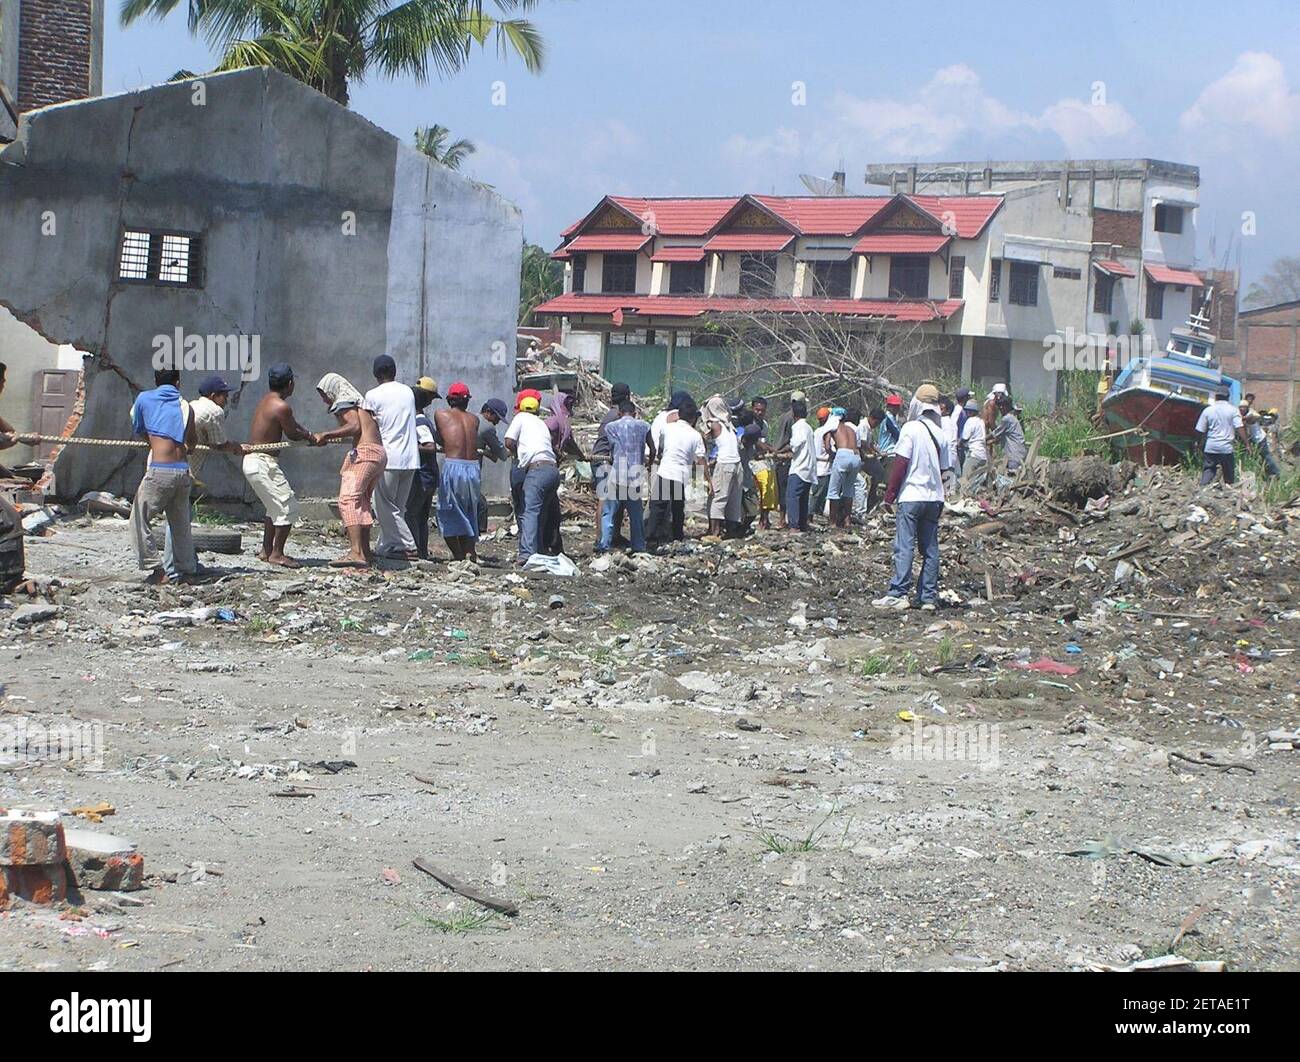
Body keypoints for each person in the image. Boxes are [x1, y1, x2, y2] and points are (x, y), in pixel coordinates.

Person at [160, 374, 245, 579]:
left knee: (180, 518)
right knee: (178, 519)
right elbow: (220, 444)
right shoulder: (213, 411)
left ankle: (187, 563)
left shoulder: (192, 405)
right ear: (214, 396)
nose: (226, 400)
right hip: (181, 470)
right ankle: (172, 568)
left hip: (163, 464)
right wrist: (239, 448)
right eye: (224, 395)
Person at [873, 394, 949, 611]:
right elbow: (945, 470)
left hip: (912, 496)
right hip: (934, 498)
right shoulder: (941, 434)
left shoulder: (910, 428)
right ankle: (927, 598)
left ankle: (899, 593)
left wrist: (890, 496)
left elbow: (900, 463)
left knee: (905, 544)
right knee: (930, 549)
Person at [128, 367, 197, 584]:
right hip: (183, 471)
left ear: (156, 381)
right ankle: (186, 570)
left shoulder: (144, 399)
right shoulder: (186, 406)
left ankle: (156, 570)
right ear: (178, 383)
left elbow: (139, 427)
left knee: (138, 519)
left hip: (160, 470)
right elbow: (192, 443)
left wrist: (155, 443)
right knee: (180, 524)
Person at [313, 373, 386, 568]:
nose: (323, 400)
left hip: (365, 452)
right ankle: (365, 552)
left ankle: (355, 553)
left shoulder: (344, 402)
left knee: (348, 499)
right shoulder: (359, 403)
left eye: (323, 394)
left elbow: (354, 426)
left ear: (332, 389)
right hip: (377, 453)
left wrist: (325, 434)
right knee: (361, 501)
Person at [244, 362, 312, 567]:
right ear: (290, 383)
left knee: (273, 507)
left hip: (256, 461)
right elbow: (292, 432)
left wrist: (310, 435)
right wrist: (310, 436)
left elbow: (293, 426)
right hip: (262, 461)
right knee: (288, 506)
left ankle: (266, 551)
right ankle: (277, 553)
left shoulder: (267, 401)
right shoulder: (281, 406)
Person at [364, 355, 419, 560]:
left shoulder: (372, 395)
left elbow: (369, 426)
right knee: (398, 508)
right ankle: (388, 547)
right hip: (410, 458)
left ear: (376, 374)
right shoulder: (407, 392)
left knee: (384, 506)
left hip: (389, 457)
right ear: (394, 371)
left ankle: (408, 545)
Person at [505, 392, 560, 564]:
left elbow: (508, 441)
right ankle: (539, 549)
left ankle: (527, 554)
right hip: (552, 470)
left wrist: (517, 451)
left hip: (537, 470)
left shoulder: (521, 417)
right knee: (540, 512)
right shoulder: (541, 424)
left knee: (529, 511)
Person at [434, 381, 483, 562]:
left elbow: (440, 437)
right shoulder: (474, 420)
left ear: (449, 400)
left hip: (454, 465)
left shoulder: (440, 414)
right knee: (469, 510)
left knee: (446, 511)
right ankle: (470, 551)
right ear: (467, 401)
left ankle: (458, 555)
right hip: (473, 467)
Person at [598, 399, 653, 553]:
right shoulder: (644, 426)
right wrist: (648, 464)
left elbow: (611, 447)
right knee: (636, 515)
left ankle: (604, 544)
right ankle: (638, 545)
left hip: (617, 475)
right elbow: (653, 448)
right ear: (635, 413)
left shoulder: (611, 427)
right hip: (635, 476)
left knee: (609, 512)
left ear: (619, 413)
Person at [652, 399, 708, 543]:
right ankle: (677, 537)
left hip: (664, 472)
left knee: (658, 507)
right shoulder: (696, 435)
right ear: (693, 418)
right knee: (678, 508)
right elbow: (700, 460)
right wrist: (708, 479)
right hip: (680, 475)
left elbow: (660, 450)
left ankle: (650, 537)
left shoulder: (667, 428)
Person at [591, 383, 633, 547]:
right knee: (605, 498)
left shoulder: (612, 414)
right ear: (628, 397)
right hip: (603, 460)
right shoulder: (618, 416)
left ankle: (614, 535)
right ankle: (600, 538)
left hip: (606, 459)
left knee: (616, 498)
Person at [405, 380, 440, 560]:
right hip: (428, 476)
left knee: (411, 514)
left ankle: (415, 551)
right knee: (420, 517)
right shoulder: (421, 420)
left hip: (423, 477)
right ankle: (422, 552)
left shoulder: (419, 422)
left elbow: (430, 447)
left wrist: (409, 447)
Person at [705, 399, 743, 537]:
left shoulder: (714, 424)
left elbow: (704, 437)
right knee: (734, 499)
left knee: (718, 498)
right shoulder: (729, 424)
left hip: (725, 464)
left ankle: (714, 532)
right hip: (737, 464)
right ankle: (731, 531)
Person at [1196, 390, 1246, 485]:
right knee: (1228, 473)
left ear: (1216, 397)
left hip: (1211, 446)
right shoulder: (1233, 410)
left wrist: (1199, 444)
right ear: (1228, 397)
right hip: (1226, 448)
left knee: (1209, 470)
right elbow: (1240, 427)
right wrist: (1247, 444)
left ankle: (1202, 489)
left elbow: (1200, 430)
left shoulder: (1208, 410)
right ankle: (1229, 490)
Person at [476, 398, 509, 534]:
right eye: (497, 418)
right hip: (471, 469)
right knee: (481, 504)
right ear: (488, 412)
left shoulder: (470, 418)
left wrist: (485, 452)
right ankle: (477, 535)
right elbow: (501, 454)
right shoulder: (487, 427)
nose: (497, 422)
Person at [783, 399, 815, 532]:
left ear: (793, 415)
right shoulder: (808, 427)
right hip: (809, 468)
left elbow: (795, 444)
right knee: (803, 498)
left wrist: (783, 450)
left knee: (792, 497)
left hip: (800, 467)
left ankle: (794, 526)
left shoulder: (798, 427)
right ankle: (802, 524)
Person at [827, 408, 863, 528]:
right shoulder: (851, 429)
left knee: (833, 491)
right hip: (855, 456)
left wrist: (832, 454)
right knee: (848, 490)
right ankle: (847, 521)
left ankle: (832, 522)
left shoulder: (833, 425)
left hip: (843, 454)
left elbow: (827, 445)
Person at [773, 391, 804, 526]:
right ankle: (783, 519)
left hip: (780, 454)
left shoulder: (783, 416)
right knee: (787, 489)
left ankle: (782, 519)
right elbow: (793, 441)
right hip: (785, 456)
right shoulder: (793, 419)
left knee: (782, 488)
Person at [811, 406, 839, 518]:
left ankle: (817, 512)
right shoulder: (827, 432)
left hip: (817, 466)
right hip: (824, 467)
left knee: (818, 493)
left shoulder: (816, 431)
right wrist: (835, 455)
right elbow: (829, 448)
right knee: (818, 494)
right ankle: (812, 514)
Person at [990, 393, 1027, 473]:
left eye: (1003, 406)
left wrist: (981, 439)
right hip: (1019, 454)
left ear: (1007, 407)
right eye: (999, 406)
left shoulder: (1007, 419)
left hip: (1014, 456)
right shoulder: (1012, 418)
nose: (1000, 408)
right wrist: (991, 442)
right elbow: (1001, 437)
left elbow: (994, 433)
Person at [1242, 407, 1282, 479]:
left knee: (1266, 456)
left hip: (1260, 439)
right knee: (1260, 457)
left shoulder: (1251, 419)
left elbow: (1251, 418)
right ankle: (1266, 472)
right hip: (1256, 440)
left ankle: (1276, 472)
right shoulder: (1249, 419)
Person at [960, 398, 989, 491]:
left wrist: (959, 444)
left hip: (974, 454)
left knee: (966, 477)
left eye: (967, 411)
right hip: (983, 455)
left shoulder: (970, 421)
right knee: (976, 481)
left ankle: (964, 497)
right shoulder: (981, 421)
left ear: (971, 412)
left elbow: (965, 437)